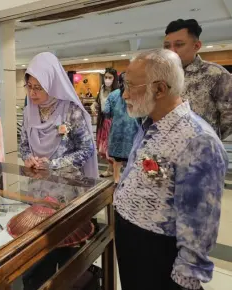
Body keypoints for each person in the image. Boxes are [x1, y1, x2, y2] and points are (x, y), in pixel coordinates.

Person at [115, 49, 228, 290]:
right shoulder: (149, 124)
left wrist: (185, 278)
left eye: (131, 86)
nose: (124, 94)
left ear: (159, 89)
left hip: (158, 252)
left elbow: (200, 223)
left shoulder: (197, 141)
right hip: (132, 242)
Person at [19, 52, 98, 178]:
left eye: (38, 88)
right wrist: (29, 159)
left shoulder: (70, 110)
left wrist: (54, 164)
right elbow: (23, 146)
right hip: (37, 183)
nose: (32, 93)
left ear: (51, 85)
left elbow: (86, 149)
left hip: (66, 185)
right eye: (29, 86)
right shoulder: (28, 111)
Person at [164, 18, 232, 139]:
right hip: (164, 150)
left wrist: (207, 138)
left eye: (179, 45)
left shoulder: (215, 74)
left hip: (202, 152)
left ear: (196, 46)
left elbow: (229, 118)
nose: (171, 51)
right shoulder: (162, 74)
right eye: (167, 46)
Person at [103, 72, 139, 185]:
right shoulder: (137, 94)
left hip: (117, 130)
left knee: (117, 159)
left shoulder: (113, 94)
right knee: (133, 158)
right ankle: (131, 181)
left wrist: (112, 116)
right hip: (134, 130)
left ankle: (117, 180)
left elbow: (106, 111)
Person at [91, 68, 119, 177]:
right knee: (103, 145)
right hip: (102, 120)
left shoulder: (117, 92)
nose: (107, 79)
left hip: (112, 120)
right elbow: (97, 102)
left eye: (110, 78)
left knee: (110, 145)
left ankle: (112, 170)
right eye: (106, 77)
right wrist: (93, 106)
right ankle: (111, 169)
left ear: (114, 79)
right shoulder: (102, 89)